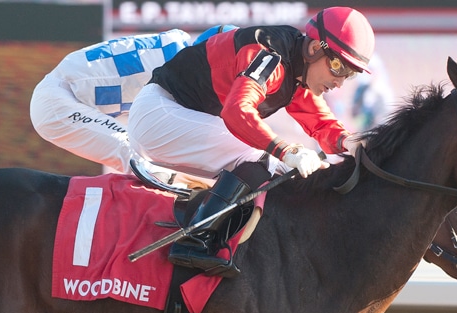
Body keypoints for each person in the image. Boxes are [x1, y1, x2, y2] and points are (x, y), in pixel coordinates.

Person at [127, 7, 376, 277]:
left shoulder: (298, 70)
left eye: (349, 73)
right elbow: (237, 111)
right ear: (315, 47)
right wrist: (287, 150)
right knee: (262, 159)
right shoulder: (269, 55)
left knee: (280, 169)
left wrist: (350, 142)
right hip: (159, 114)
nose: (339, 82)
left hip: (176, 118)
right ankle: (194, 243)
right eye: (338, 66)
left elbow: (322, 124)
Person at [30, 27, 239, 183]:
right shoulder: (179, 67)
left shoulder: (176, 47)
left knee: (149, 157)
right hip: (56, 102)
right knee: (138, 158)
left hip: (61, 93)